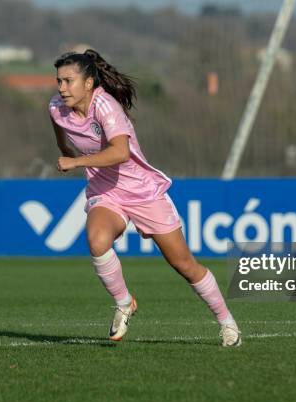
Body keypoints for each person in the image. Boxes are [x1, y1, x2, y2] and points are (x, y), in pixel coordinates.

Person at [49, 49, 241, 346]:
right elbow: (63, 138)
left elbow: (120, 153)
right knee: (97, 240)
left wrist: (75, 163)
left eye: (68, 81)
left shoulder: (106, 106)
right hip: (106, 190)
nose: (61, 88)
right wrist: (68, 154)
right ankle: (123, 302)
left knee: (184, 264)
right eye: (59, 81)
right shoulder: (56, 108)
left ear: (88, 83)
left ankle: (227, 322)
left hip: (142, 191)